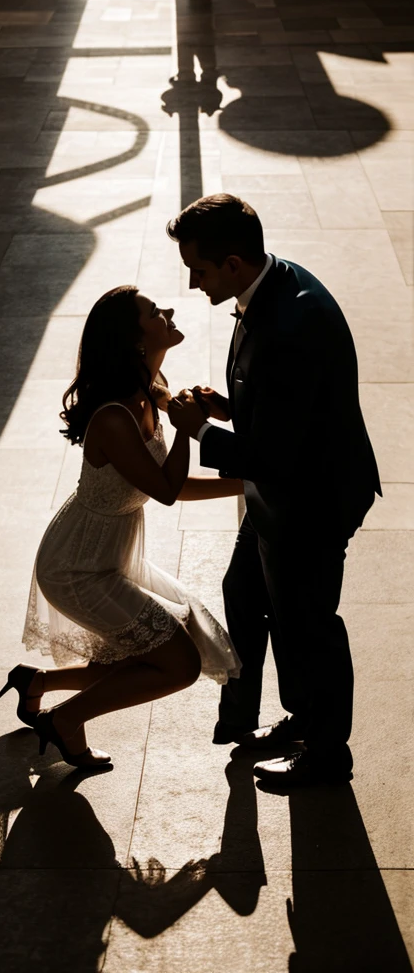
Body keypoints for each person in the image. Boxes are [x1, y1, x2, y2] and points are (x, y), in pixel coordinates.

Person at [166, 194, 381, 788]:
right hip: (280, 492)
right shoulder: (274, 285)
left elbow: (274, 455)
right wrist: (231, 409)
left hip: (308, 501)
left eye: (199, 271)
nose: (193, 283)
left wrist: (201, 429)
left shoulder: (291, 323)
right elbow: (288, 410)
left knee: (309, 624)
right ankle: (302, 716)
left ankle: (328, 754)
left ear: (234, 263)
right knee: (248, 592)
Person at [0, 286, 242, 769]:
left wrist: (247, 483)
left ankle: (37, 682)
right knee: (179, 662)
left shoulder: (151, 389)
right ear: (134, 339)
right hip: (77, 567)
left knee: (158, 649)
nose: (167, 311)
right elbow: (167, 489)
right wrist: (188, 430)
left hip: (112, 556)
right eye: (154, 311)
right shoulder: (113, 417)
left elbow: (170, 485)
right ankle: (66, 721)